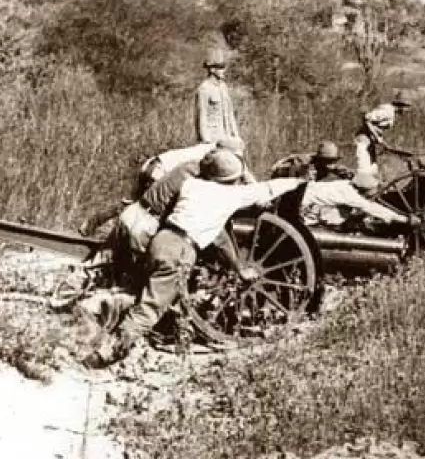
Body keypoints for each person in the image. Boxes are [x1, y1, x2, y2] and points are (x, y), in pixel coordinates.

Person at [81, 153, 304, 368]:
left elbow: (219, 235)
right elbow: (266, 189)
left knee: (144, 289)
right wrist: (298, 181)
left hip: (160, 240)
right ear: (230, 179)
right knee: (150, 308)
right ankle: (104, 356)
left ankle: (96, 317)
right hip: (181, 251)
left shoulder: (192, 185)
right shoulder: (231, 196)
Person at [78, 137, 250, 236]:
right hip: (159, 171)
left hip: (155, 164)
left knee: (136, 204)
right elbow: (240, 173)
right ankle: (112, 232)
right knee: (150, 208)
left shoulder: (211, 149)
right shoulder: (213, 156)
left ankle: (93, 224)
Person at [298, 172, 422, 231]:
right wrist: (405, 219)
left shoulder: (345, 184)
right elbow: (372, 208)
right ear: (363, 190)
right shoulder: (350, 195)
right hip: (302, 206)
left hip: (305, 195)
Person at [354, 90, 412, 176]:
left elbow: (374, 125)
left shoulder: (390, 112)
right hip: (363, 142)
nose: (407, 110)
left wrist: (380, 140)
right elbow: (367, 118)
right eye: (407, 107)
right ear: (401, 105)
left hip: (370, 143)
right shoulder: (387, 111)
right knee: (364, 173)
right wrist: (378, 138)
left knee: (373, 171)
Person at [195, 48, 241, 145]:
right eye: (220, 67)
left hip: (226, 136)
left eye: (224, 67)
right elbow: (201, 116)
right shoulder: (204, 89)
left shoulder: (223, 87)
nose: (224, 70)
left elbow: (230, 113)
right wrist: (205, 140)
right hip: (212, 139)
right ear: (212, 69)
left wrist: (236, 135)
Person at [269, 141, 353, 182]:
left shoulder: (332, 166)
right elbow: (277, 169)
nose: (332, 164)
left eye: (334, 161)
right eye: (328, 161)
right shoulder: (304, 162)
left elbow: (349, 174)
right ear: (320, 159)